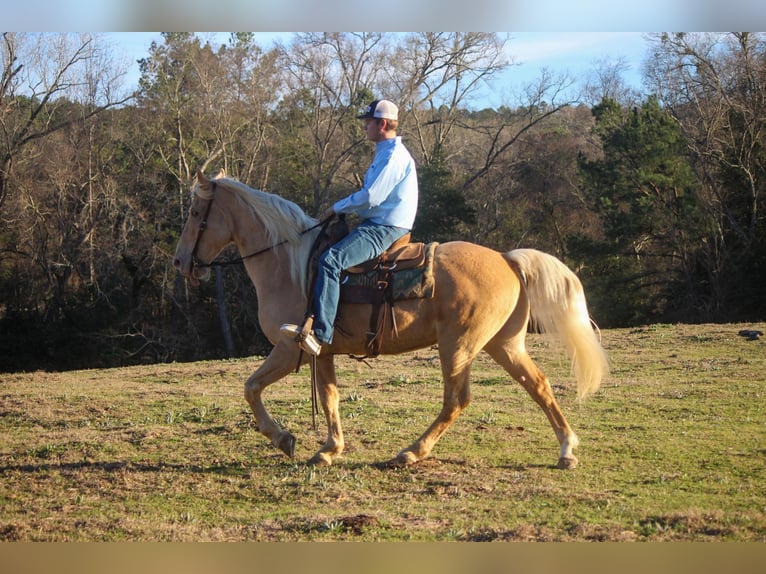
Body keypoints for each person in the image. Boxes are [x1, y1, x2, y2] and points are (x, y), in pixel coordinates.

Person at [280, 99, 419, 355]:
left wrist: (338, 207)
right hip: (377, 223)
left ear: (383, 124)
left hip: (384, 228)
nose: (365, 127)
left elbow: (371, 197)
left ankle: (321, 334)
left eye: (368, 122)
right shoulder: (385, 153)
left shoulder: (394, 157)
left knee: (330, 260)